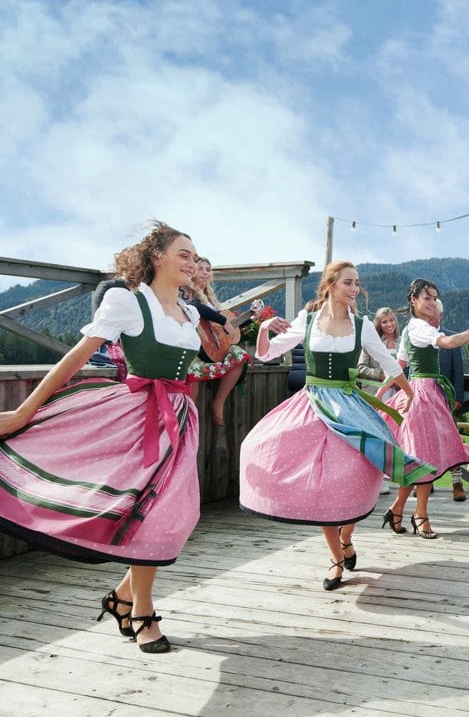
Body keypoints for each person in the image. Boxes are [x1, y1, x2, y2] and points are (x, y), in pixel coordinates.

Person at [0, 221, 204, 654]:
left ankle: (123, 597)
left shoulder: (190, 311)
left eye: (194, 255)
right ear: (156, 258)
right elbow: (77, 357)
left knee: (171, 517)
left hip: (179, 418)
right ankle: (140, 611)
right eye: (182, 254)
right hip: (134, 417)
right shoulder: (127, 301)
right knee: (150, 516)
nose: (192, 262)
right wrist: (24, 411)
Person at [239, 261, 434, 590]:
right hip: (312, 405)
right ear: (330, 284)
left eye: (357, 283)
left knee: (357, 475)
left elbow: (388, 362)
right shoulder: (308, 320)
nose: (355, 288)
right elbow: (269, 354)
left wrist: (411, 392)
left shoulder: (361, 326)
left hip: (350, 406)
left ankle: (346, 537)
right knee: (318, 483)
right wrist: (263, 328)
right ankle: (336, 558)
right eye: (348, 282)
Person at [383, 279, 469, 539]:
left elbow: (398, 366)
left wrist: (381, 395)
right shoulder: (419, 328)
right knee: (425, 458)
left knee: (420, 458)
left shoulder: (409, 329)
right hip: (423, 394)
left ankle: (397, 508)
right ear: (413, 301)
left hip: (422, 393)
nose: (432, 302)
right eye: (426, 298)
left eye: (434, 298)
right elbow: (447, 343)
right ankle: (421, 515)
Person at [182, 257, 252, 427]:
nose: (206, 273)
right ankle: (188, 415)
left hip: (213, 347)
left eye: (209, 269)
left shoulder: (210, 300)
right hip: (194, 348)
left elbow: (225, 328)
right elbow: (195, 307)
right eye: (201, 269)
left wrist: (250, 318)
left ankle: (218, 403)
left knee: (239, 355)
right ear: (192, 271)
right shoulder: (185, 293)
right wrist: (223, 320)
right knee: (193, 368)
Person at [358, 306, 404, 495]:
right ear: (379, 324)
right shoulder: (372, 343)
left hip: (398, 394)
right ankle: (380, 479)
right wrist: (380, 375)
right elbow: (360, 368)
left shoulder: (403, 342)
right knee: (379, 434)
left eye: (391, 320)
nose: (389, 324)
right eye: (384, 321)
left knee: (401, 436)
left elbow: (408, 367)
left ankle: (405, 478)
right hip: (378, 395)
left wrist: (401, 382)